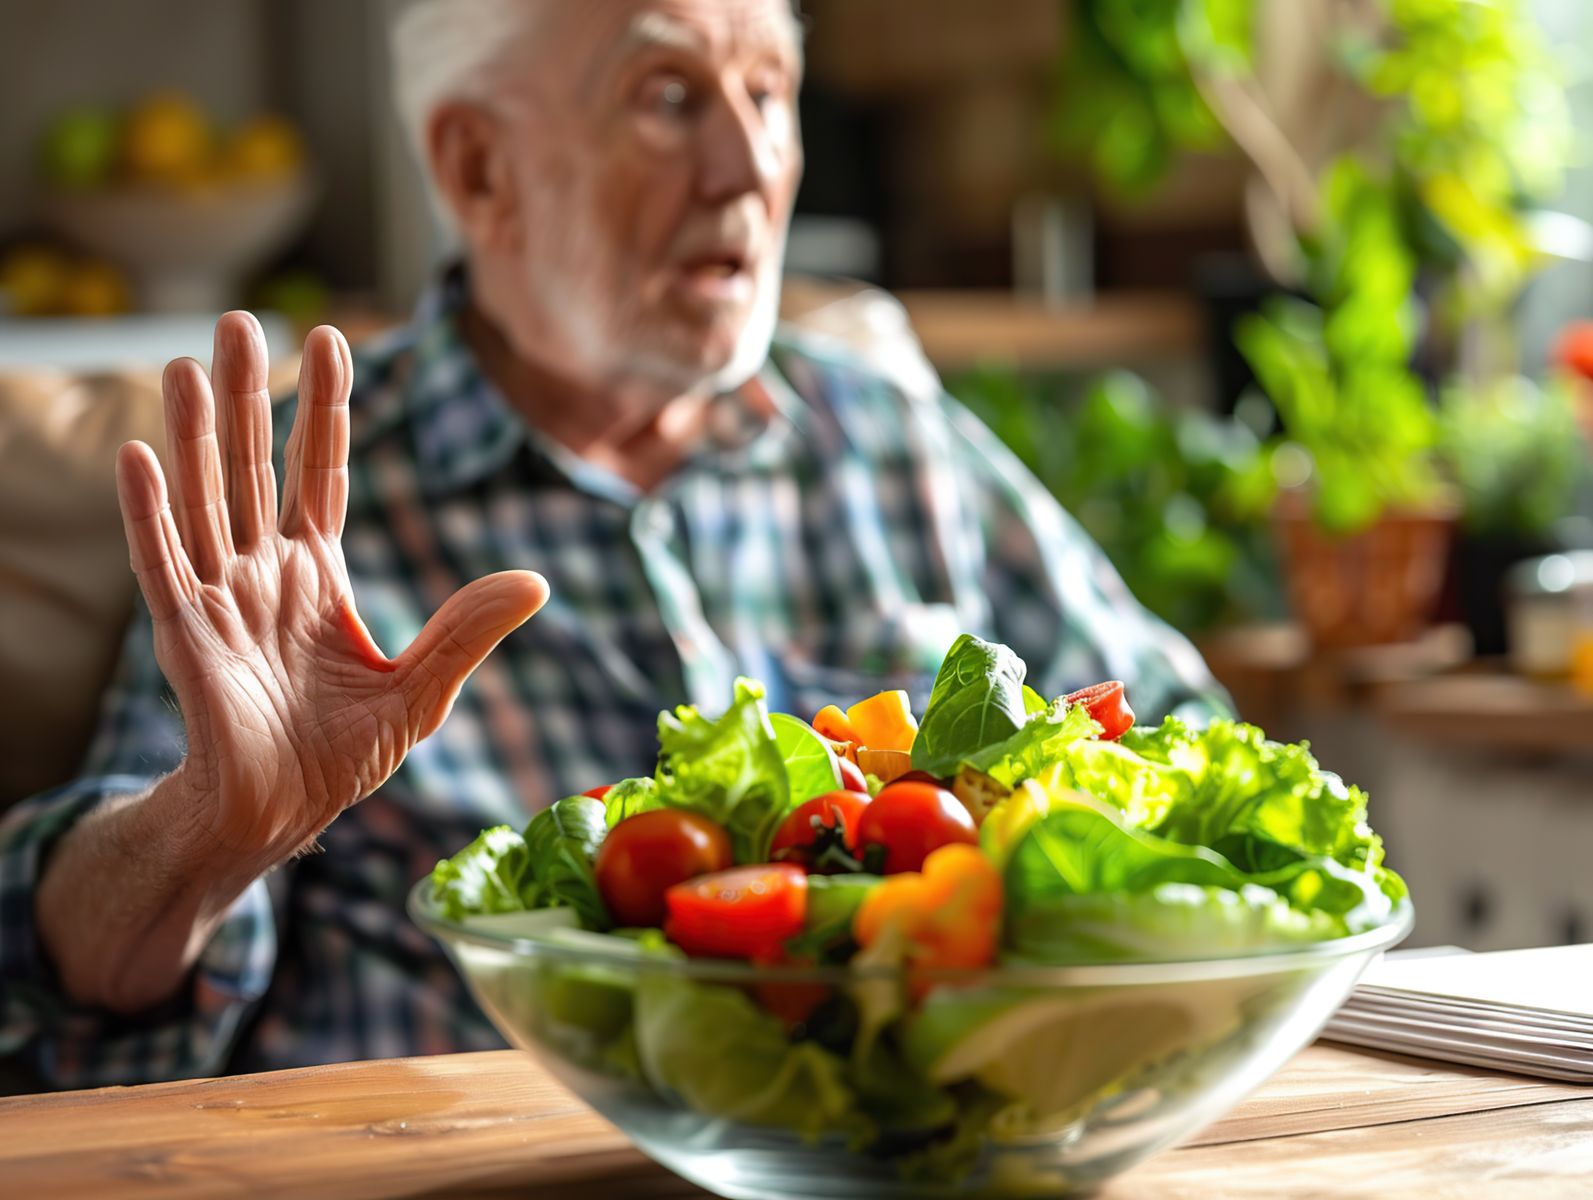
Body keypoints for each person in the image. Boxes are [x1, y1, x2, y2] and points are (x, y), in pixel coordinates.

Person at [0, 0, 1224, 1090]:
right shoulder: (286, 509)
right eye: (670, 97)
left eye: (766, 93)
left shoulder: (894, 441)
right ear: (479, 169)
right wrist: (204, 833)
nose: (748, 166)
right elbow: (85, 999)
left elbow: (1206, 764)